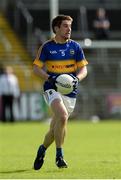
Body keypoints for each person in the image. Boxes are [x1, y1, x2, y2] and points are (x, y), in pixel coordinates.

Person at [33, 14, 88, 170]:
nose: (69, 29)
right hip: (52, 87)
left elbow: (84, 68)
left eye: (70, 26)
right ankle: (59, 156)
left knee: (55, 127)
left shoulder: (75, 47)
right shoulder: (47, 47)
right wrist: (48, 77)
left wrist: (77, 78)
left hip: (70, 90)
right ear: (56, 28)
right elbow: (36, 68)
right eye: (65, 25)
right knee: (63, 116)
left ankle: (42, 149)